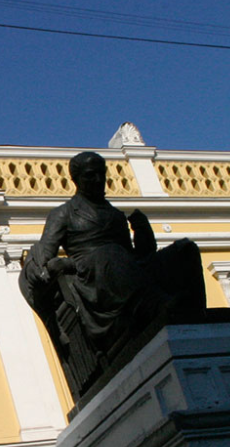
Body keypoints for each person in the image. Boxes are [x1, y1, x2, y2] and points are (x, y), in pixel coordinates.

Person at [20, 151, 206, 352]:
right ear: (75, 179)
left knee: (185, 250)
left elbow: (136, 259)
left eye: (101, 173)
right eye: (90, 175)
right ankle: (158, 306)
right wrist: (65, 264)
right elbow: (45, 261)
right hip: (92, 281)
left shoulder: (115, 215)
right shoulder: (62, 213)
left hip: (119, 273)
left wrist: (144, 234)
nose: (98, 179)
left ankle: (198, 318)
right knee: (110, 254)